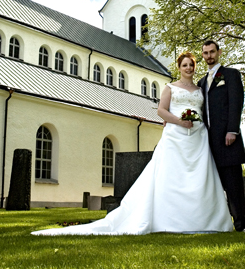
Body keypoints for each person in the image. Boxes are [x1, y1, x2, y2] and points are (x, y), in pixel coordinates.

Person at [32, 52, 233, 236]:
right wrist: (179, 121)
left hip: (198, 138)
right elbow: (161, 111)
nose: (188, 68)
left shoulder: (200, 89)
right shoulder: (170, 87)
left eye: (191, 65)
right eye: (184, 65)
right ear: (179, 68)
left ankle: (204, 219)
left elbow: (206, 112)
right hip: (176, 136)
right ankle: (170, 220)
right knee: (171, 178)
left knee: (199, 179)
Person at [198, 40, 245, 232]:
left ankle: (240, 225)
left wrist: (232, 130)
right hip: (208, 142)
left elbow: (236, 103)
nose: (209, 56)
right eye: (206, 53)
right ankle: (219, 223)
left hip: (228, 139)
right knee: (215, 186)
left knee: (233, 184)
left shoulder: (231, 75)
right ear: (202, 55)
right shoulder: (201, 83)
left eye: (212, 52)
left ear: (219, 52)